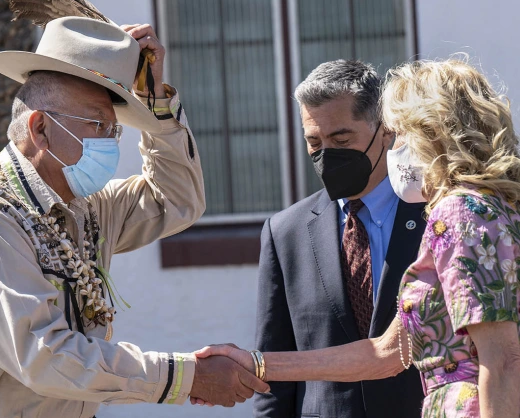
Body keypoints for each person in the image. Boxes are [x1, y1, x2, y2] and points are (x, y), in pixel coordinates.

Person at [0, 16, 268, 418]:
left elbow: (177, 199)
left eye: (114, 130)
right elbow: (47, 358)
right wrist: (186, 376)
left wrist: (155, 103)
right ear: (41, 128)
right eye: (98, 125)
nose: (110, 143)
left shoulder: (83, 204)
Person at [197, 59, 520, 417]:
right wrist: (254, 364)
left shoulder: (460, 212)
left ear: (431, 134)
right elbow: (385, 353)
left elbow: (503, 360)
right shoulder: (493, 208)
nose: (396, 147)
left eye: (400, 133)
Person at [254, 60, 425, 417]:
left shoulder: (434, 214)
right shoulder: (285, 232)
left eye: (342, 139)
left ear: (386, 129)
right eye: (313, 142)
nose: (326, 154)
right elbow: (274, 380)